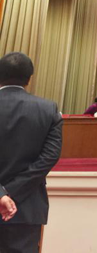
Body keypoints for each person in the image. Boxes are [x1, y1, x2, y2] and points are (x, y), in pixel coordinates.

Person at [0, 52, 63, 252]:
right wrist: (11, 193)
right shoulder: (48, 109)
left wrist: (1, 193)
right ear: (29, 78)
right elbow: (49, 157)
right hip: (26, 205)